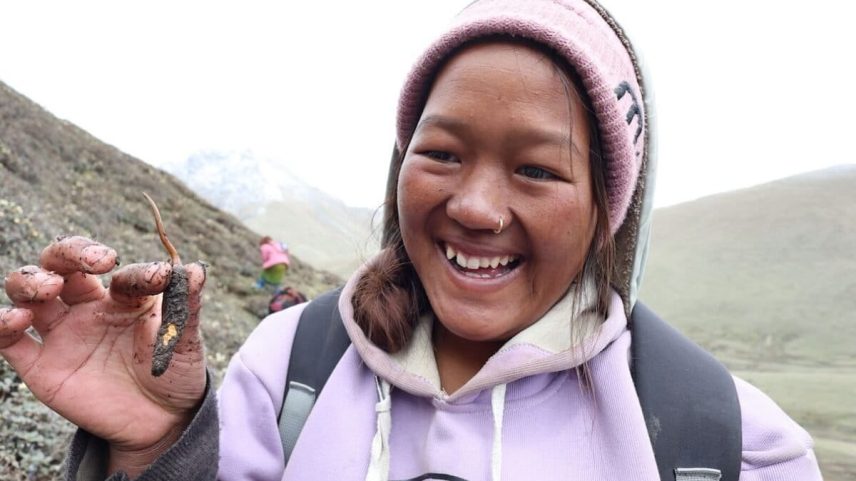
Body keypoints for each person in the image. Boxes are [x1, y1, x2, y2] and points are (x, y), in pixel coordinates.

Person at [0, 1, 823, 480]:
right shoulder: (288, 369)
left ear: (611, 205)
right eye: (441, 152)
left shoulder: (725, 443)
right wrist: (153, 448)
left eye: (537, 169)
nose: (474, 204)